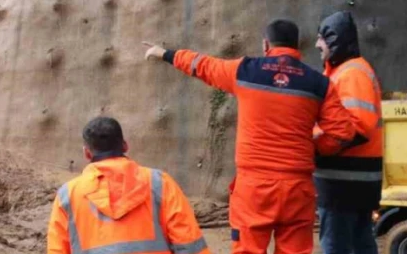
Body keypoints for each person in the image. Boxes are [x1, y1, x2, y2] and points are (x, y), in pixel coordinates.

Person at [141, 19, 358, 254]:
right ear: (297, 46)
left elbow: (201, 65)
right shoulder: (319, 83)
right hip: (297, 188)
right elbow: (343, 133)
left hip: (255, 188)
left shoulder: (245, 71)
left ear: (266, 45)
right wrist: (313, 148)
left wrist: (164, 53)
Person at [47, 116, 210, 254]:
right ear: (125, 145)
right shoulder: (160, 183)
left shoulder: (67, 196)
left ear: (87, 153)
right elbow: (190, 246)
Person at [314, 11, 383, 254]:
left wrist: (316, 146)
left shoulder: (351, 73)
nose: (317, 45)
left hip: (344, 185)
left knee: (337, 246)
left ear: (334, 40)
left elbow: (356, 127)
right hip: (353, 184)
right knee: (360, 244)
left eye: (321, 38)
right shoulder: (346, 71)